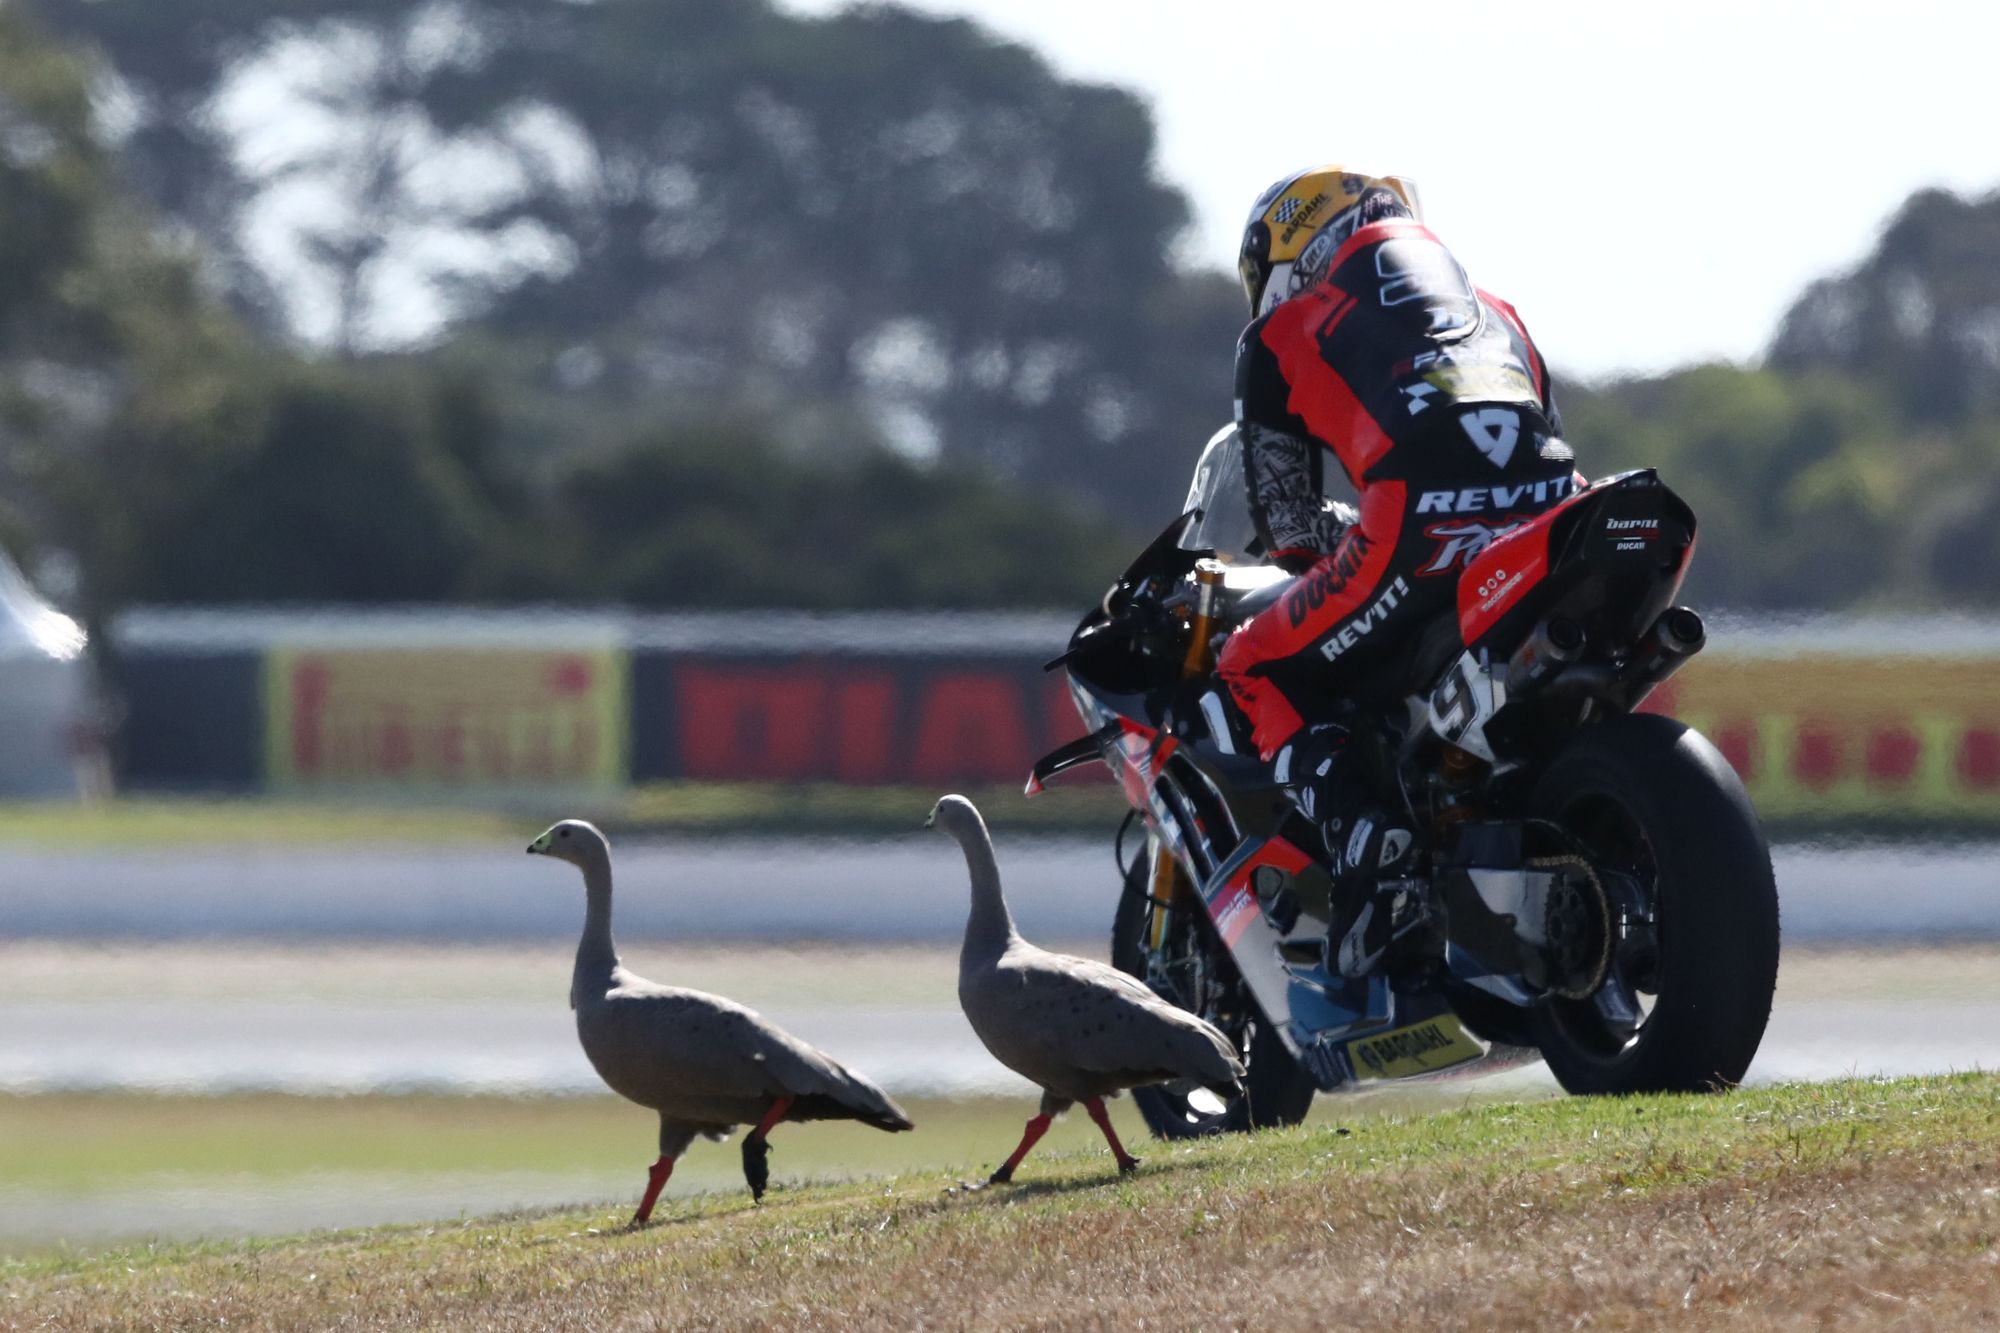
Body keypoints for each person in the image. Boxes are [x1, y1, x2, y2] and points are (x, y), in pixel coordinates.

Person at [1213, 166, 1580, 973]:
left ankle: (1363, 837)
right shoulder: (1495, 305)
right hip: (1554, 515)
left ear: (1286, 254)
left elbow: (1289, 526)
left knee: (1248, 660)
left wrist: (1327, 550)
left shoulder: (1277, 335)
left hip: (1416, 525)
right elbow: (1541, 429)